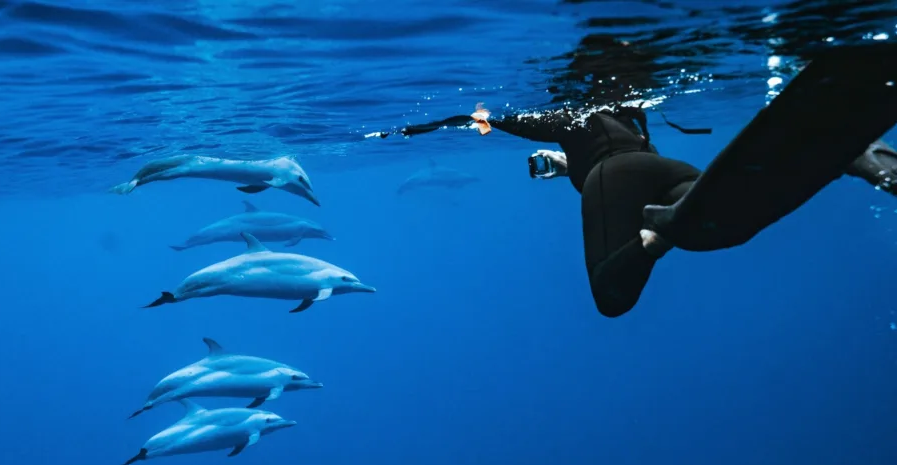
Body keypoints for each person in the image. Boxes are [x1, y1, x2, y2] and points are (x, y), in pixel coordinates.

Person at [371, 101, 895, 318]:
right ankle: (840, 159)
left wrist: (426, 127)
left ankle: (660, 232)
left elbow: (480, 115)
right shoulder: (632, 109)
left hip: (618, 178)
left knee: (611, 294)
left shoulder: (564, 118)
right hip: (667, 172)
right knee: (728, 220)